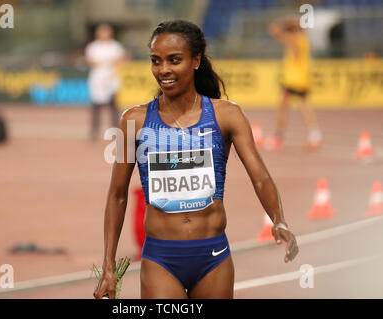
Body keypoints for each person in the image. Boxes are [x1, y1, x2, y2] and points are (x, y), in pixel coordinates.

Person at [93, 20, 298, 299]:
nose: (163, 69)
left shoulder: (227, 115)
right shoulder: (133, 121)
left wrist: (279, 219)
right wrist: (108, 264)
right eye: (156, 61)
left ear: (196, 61)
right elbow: (117, 195)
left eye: (174, 60)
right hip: (160, 259)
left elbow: (260, 177)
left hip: (213, 257)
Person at [266, 16, 322, 152]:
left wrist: (285, 24)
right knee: (302, 105)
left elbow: (272, 29)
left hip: (294, 79)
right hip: (301, 78)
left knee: (285, 107)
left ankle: (279, 137)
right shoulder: (304, 39)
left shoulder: (294, 39)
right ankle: (314, 134)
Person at [84, 23, 126, 140]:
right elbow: (91, 62)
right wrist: (107, 62)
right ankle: (94, 131)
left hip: (111, 79)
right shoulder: (93, 47)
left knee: (113, 106)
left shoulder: (115, 46)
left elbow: (121, 59)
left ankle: (115, 130)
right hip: (97, 79)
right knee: (96, 106)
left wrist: (108, 63)